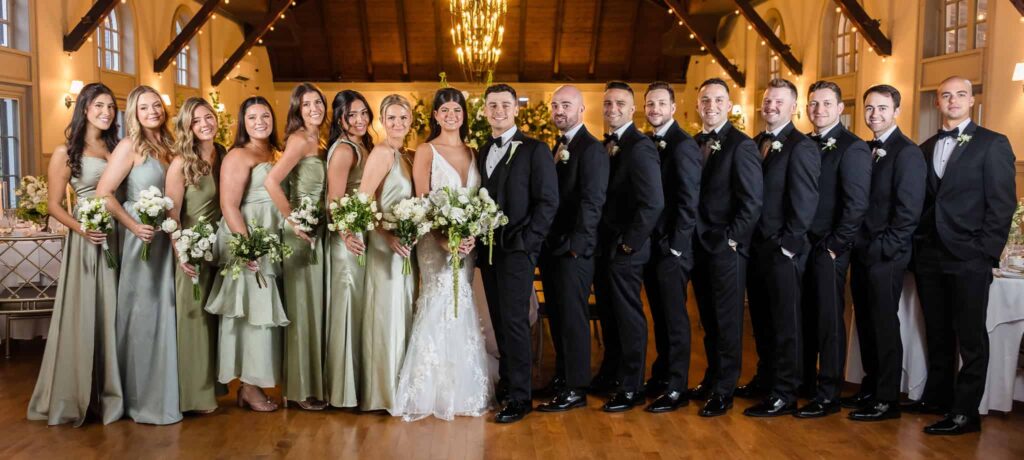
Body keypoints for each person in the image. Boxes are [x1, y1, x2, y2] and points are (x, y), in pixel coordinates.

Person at [911, 76, 1016, 435]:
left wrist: (985, 253)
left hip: (970, 256)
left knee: (971, 336)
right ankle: (937, 398)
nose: (952, 101)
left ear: (971, 100)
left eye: (960, 95)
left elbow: (1002, 205)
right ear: (937, 102)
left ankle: (965, 412)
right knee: (938, 332)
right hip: (929, 256)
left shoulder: (993, 144)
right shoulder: (925, 147)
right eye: (945, 95)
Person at [394, 88, 495, 421]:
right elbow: (422, 202)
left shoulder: (474, 151)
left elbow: (481, 201)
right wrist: (443, 240)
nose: (452, 115)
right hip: (434, 244)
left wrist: (471, 236)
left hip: (466, 245)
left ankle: (463, 387)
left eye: (457, 109)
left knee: (462, 302)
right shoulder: (426, 151)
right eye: (445, 110)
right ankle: (429, 389)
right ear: (435, 116)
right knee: (439, 300)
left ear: (464, 115)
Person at [27, 82, 124, 426]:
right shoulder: (66, 152)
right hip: (89, 239)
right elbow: (53, 206)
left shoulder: (119, 147)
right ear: (84, 108)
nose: (106, 112)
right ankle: (83, 392)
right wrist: (83, 229)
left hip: (121, 236)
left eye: (111, 107)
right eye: (99, 105)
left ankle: (116, 390)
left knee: (117, 312)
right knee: (89, 312)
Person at [95, 85, 182, 425]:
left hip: (168, 237)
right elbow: (105, 194)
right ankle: (137, 398)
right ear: (134, 113)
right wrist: (133, 226)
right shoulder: (129, 146)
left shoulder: (172, 146)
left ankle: (168, 394)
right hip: (140, 239)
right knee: (143, 316)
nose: (153, 111)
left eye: (156, 105)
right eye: (144, 107)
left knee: (168, 314)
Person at [476, 83, 558, 423]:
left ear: (515, 109)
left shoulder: (535, 150)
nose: (498, 110)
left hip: (517, 251)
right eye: (492, 105)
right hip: (487, 251)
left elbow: (548, 201)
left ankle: (521, 397)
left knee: (514, 321)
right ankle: (508, 384)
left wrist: (528, 243)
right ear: (484, 110)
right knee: (498, 321)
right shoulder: (482, 151)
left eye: (504, 105)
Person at [845, 84, 925, 423]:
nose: (874, 114)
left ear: (896, 111)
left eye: (881, 108)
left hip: (886, 255)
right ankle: (870, 385)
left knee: (883, 325)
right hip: (861, 250)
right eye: (869, 108)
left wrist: (884, 249)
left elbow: (908, 212)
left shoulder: (907, 153)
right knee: (865, 322)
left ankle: (887, 398)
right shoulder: (863, 148)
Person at [741, 78, 820, 417]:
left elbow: (805, 202)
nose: (771, 106)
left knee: (786, 324)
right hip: (755, 249)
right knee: (761, 320)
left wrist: (788, 246)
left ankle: (785, 392)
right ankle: (765, 377)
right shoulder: (756, 142)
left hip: (783, 251)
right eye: (768, 100)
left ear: (793, 108)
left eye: (778, 101)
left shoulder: (801, 146)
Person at [205, 96, 289, 412]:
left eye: (265, 115)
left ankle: (259, 382)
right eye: (252, 116)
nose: (259, 121)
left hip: (276, 236)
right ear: (243, 122)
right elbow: (228, 204)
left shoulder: (276, 152)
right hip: (250, 235)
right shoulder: (239, 155)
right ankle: (249, 387)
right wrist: (247, 245)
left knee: (268, 313)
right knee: (253, 315)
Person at [795, 81, 871, 419]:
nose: (819, 109)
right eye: (814, 104)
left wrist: (835, 246)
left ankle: (829, 393)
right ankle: (806, 382)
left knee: (828, 321)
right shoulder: (804, 143)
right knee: (805, 317)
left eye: (827, 103)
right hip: (801, 245)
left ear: (841, 108)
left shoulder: (852, 148)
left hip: (830, 248)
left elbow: (856, 205)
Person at [688, 78, 762, 417]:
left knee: (728, 321)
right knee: (708, 319)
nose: (711, 105)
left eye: (718, 99)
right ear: (698, 103)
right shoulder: (692, 143)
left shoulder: (741, 145)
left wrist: (732, 240)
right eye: (706, 99)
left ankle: (724, 389)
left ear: (729, 104)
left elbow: (752, 202)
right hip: (697, 247)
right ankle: (711, 376)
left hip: (726, 249)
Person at [535, 85, 608, 413]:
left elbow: (593, 202)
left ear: (581, 110)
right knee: (560, 318)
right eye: (555, 105)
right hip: (554, 249)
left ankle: (576, 387)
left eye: (566, 105)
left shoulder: (591, 148)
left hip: (574, 252)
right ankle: (563, 378)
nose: (559, 110)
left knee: (574, 319)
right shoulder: (558, 145)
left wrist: (576, 247)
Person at [592, 81, 663, 413]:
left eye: (620, 103)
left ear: (632, 109)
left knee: (628, 316)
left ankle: (632, 385)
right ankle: (611, 373)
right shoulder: (608, 144)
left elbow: (653, 204)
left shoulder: (640, 146)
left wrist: (628, 245)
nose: (612, 109)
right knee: (609, 314)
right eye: (607, 104)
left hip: (627, 250)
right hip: (605, 247)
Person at [264, 83, 328, 410]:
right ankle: (298, 390)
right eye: (307, 104)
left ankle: (310, 384)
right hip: (300, 234)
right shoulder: (300, 139)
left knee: (314, 310)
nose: (314, 108)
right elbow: (271, 181)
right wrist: (292, 220)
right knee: (302, 311)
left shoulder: (322, 138)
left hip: (320, 232)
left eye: (318, 102)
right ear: (297, 110)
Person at [640, 81, 701, 413]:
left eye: (661, 104)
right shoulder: (649, 141)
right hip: (653, 246)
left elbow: (689, 201)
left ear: (673, 108)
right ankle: (662, 374)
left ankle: (678, 386)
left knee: (675, 318)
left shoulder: (683, 144)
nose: (655, 110)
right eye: (650, 104)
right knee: (660, 317)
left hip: (672, 249)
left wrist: (677, 247)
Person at [165, 97, 228, 414]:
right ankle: (193, 396)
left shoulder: (224, 155)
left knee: (215, 320)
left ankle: (213, 388)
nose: (205, 124)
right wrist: (181, 254)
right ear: (187, 127)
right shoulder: (180, 163)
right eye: (196, 120)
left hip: (221, 249)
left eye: (208, 117)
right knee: (194, 322)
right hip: (190, 250)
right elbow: (172, 215)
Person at [356, 94, 416, 413]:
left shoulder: (405, 154)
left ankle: (400, 386)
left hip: (406, 245)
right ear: (381, 121)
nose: (397, 123)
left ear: (411, 121)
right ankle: (383, 392)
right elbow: (364, 203)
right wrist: (387, 235)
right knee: (386, 316)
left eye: (403, 118)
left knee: (402, 314)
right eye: (391, 118)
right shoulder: (381, 153)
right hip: (385, 245)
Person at [323, 89, 373, 409]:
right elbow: (332, 199)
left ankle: (356, 385)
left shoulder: (361, 145)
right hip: (348, 240)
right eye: (352, 114)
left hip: (359, 232)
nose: (359, 119)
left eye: (364, 113)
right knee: (347, 311)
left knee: (358, 312)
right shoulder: (344, 150)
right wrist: (345, 233)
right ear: (340, 118)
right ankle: (343, 390)